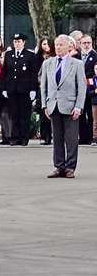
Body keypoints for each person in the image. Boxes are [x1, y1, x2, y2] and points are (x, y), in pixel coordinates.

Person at [42, 35, 85, 178]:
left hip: (71, 106)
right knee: (57, 138)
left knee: (71, 139)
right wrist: (44, 105)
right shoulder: (48, 63)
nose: (58, 47)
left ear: (69, 46)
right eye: (57, 44)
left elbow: (82, 87)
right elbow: (44, 86)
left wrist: (78, 106)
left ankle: (70, 167)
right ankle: (58, 166)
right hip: (53, 105)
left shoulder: (77, 64)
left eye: (61, 44)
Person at [0, 33, 34, 145]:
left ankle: (24, 137)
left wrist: (33, 90)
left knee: (24, 114)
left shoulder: (29, 55)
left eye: (19, 41)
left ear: (24, 42)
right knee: (14, 114)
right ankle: (14, 137)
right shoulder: (9, 54)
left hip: (24, 90)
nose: (17, 43)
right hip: (12, 89)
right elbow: (5, 72)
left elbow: (32, 74)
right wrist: (4, 88)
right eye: (15, 42)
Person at [77, 35, 96, 146]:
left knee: (91, 114)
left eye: (88, 42)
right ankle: (82, 137)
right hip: (79, 89)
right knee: (80, 114)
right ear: (80, 43)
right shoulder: (76, 56)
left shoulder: (95, 56)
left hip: (91, 89)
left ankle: (90, 137)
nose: (86, 45)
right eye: (84, 43)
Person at [36, 38, 55, 145]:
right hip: (42, 88)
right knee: (44, 113)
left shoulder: (55, 57)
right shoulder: (38, 57)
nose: (46, 46)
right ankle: (45, 135)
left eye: (48, 44)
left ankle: (52, 135)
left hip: (53, 88)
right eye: (43, 44)